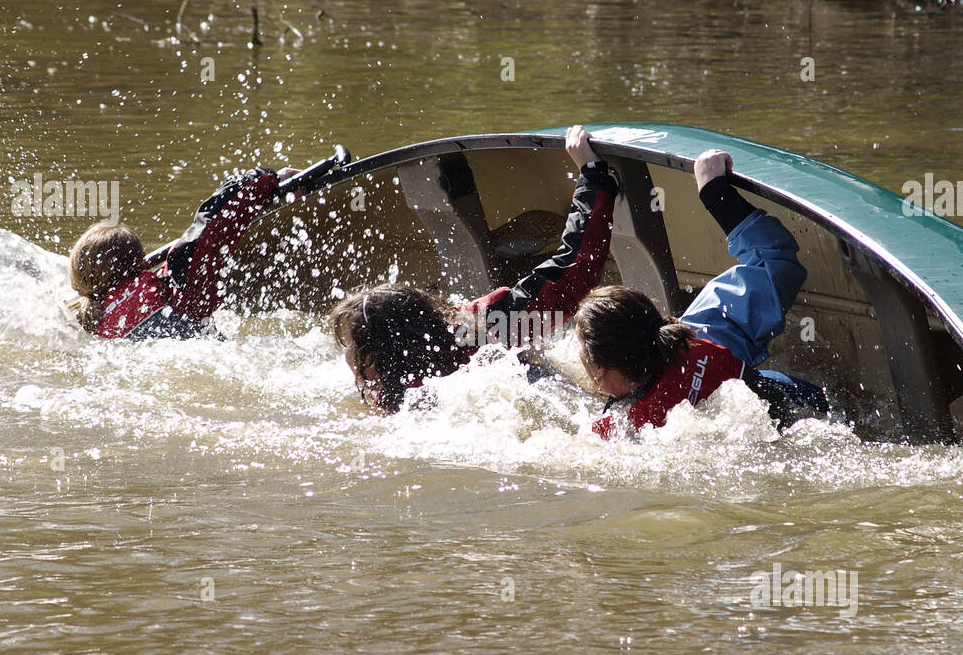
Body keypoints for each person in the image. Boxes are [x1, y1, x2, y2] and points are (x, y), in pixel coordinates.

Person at [331, 125, 617, 411]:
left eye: (351, 347)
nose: (346, 357)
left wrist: (592, 179)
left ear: (383, 353)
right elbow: (574, 271)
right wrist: (592, 173)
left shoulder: (398, 392)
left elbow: (573, 274)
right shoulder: (486, 326)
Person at [577, 148, 827, 439]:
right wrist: (714, 192)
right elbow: (775, 260)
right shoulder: (700, 337)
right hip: (810, 419)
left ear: (599, 371)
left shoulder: (617, 433)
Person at [69, 167, 284, 340]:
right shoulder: (174, 285)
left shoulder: (84, 320)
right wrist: (266, 178)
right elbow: (213, 226)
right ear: (142, 265)